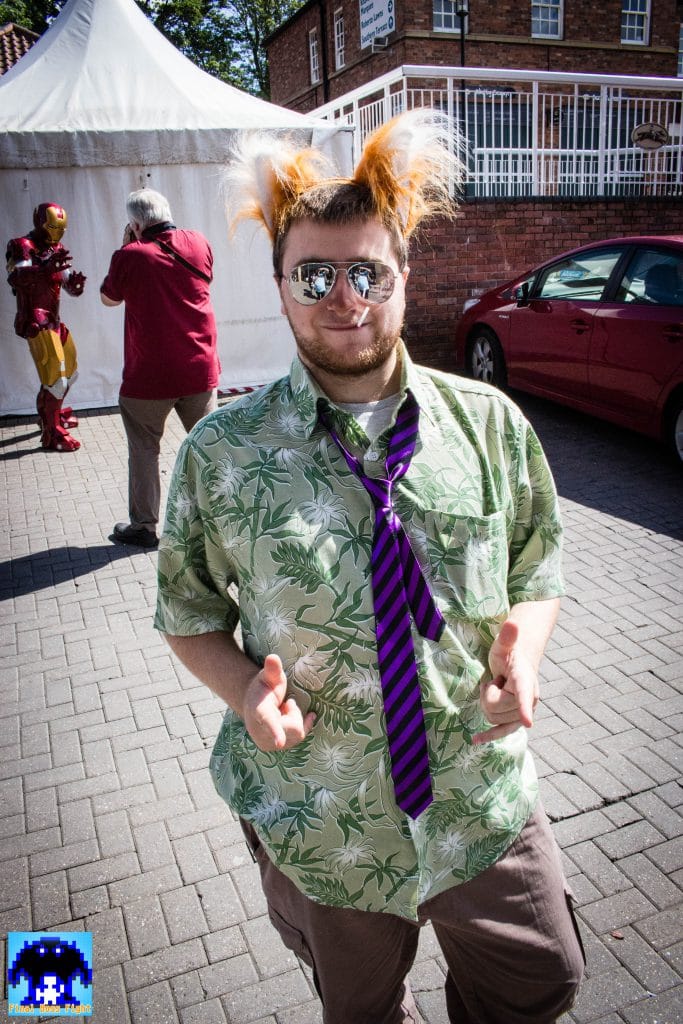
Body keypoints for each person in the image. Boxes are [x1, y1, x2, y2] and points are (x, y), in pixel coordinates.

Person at [154, 110, 585, 1023]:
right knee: (360, 1013)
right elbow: (187, 613)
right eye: (314, 275)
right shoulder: (219, 453)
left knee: (542, 982)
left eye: (367, 273)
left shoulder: (489, 424)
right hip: (321, 815)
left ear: (402, 276)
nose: (343, 298)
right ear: (280, 286)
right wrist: (244, 692)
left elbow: (535, 564)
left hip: (478, 799)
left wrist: (524, 650)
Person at [100, 189, 220, 549]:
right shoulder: (198, 242)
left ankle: (144, 527)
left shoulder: (130, 255)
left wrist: (128, 245)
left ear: (135, 224)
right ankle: (219, 519)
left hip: (148, 376)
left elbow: (108, 298)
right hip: (198, 367)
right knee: (209, 447)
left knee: (144, 450)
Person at [6, 202, 86, 452]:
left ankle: (52, 414)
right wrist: (45, 269)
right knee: (55, 379)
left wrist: (75, 286)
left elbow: (66, 282)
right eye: (53, 227)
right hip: (35, 320)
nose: (57, 233)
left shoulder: (56, 249)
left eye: (61, 228)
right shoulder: (22, 245)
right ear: (40, 223)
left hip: (54, 319)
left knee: (70, 372)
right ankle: (52, 432)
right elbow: (16, 278)